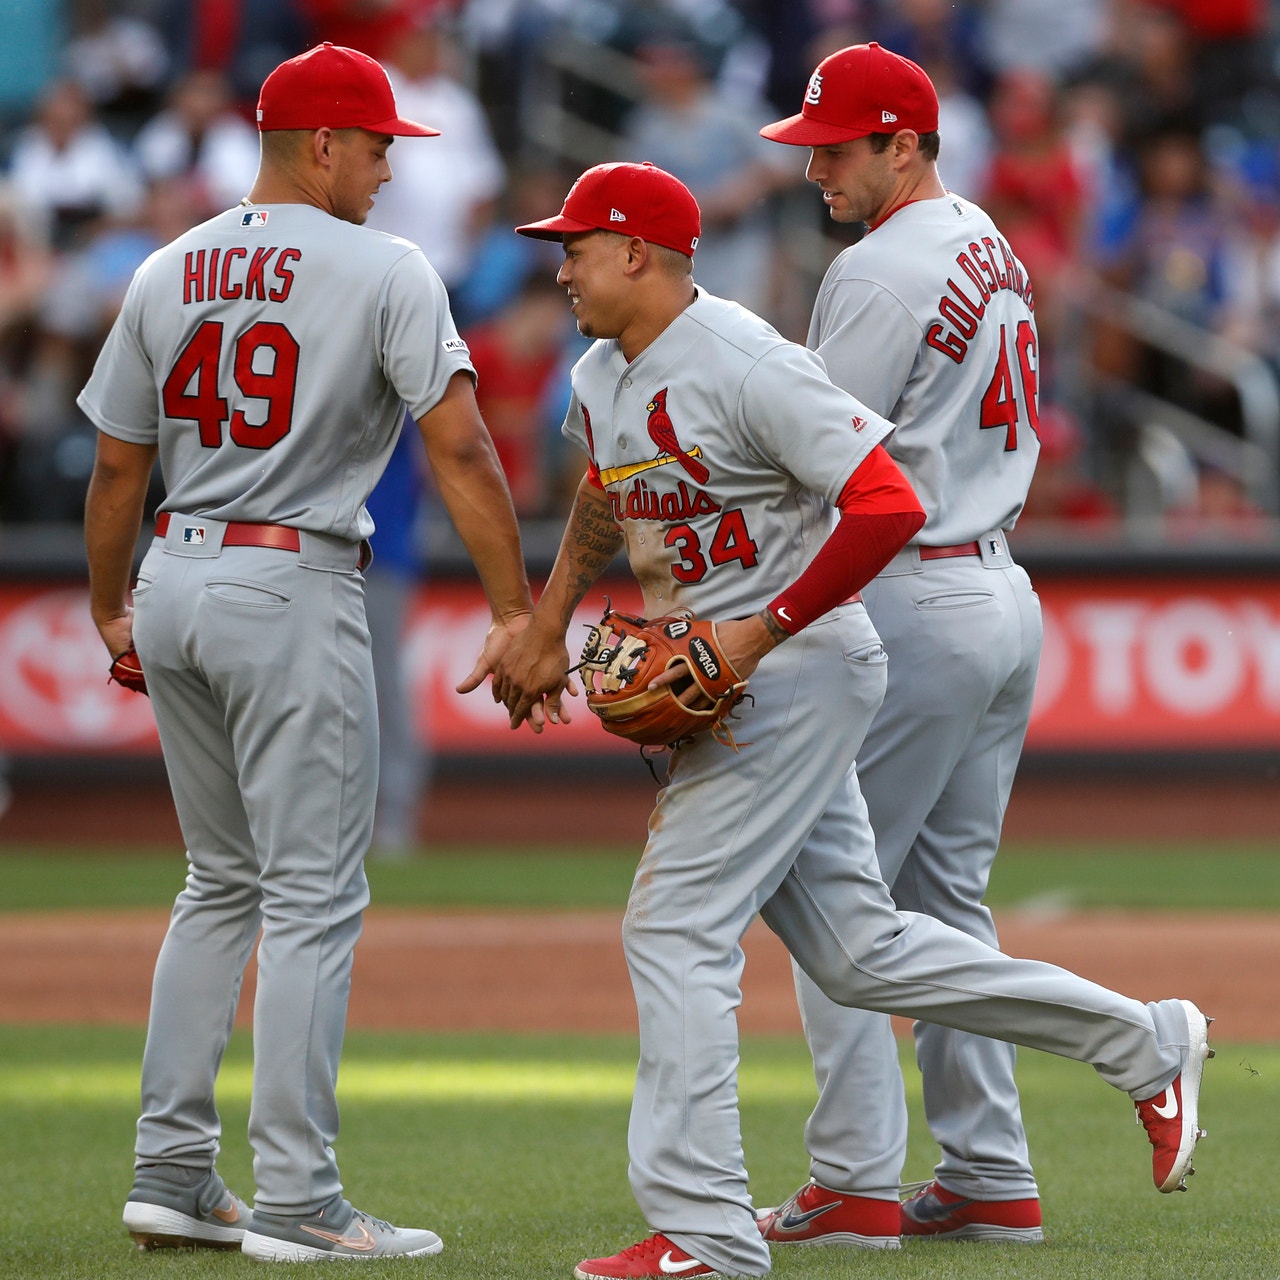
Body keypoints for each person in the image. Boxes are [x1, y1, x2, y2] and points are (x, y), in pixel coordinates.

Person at [482, 159, 1211, 1280]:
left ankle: (705, 1229)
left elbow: (888, 500)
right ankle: (1141, 1037)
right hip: (738, 670)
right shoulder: (598, 369)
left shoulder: (744, 358)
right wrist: (545, 620)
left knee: (673, 927)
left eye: (575, 245)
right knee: (859, 950)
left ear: (638, 252)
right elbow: (604, 488)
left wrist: (759, 629)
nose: (560, 266)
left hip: (796, 665)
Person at [80, 42, 533, 1261]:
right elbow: (461, 451)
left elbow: (118, 463)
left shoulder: (169, 264)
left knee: (216, 881)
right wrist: (515, 608)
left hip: (173, 567)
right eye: (380, 143)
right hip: (290, 576)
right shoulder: (386, 267)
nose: (392, 167)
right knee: (312, 898)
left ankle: (171, 1169)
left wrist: (108, 605)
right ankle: (297, 1196)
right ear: (321, 143)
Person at [753, 40, 1054, 1245]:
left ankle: (853, 1176)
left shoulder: (879, 270)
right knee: (938, 900)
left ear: (903, 143)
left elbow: (819, 460)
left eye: (836, 147)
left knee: (832, 895)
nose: (814, 165)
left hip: (910, 596)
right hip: (992, 589)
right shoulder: (984, 237)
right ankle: (986, 1170)